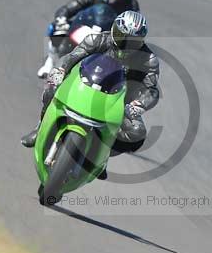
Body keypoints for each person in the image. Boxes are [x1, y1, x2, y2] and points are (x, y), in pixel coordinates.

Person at [23, 11, 159, 166]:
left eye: (132, 41)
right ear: (114, 30)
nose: (126, 44)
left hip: (120, 102)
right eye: (122, 37)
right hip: (84, 86)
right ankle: (39, 129)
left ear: (141, 41)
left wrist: (139, 105)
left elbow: (152, 90)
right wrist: (59, 71)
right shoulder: (97, 39)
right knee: (51, 90)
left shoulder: (149, 59)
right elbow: (72, 56)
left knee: (137, 133)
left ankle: (102, 157)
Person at [38, 0, 141, 77]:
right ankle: (50, 62)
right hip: (83, 29)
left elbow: (135, 27)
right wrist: (62, 22)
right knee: (55, 28)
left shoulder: (130, 4)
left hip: (108, 38)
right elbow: (65, 10)